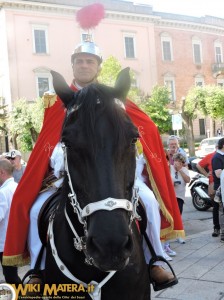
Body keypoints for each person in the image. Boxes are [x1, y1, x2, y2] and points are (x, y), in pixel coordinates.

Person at [3, 39, 184, 286]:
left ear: (98, 67)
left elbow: (144, 128)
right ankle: (38, 268)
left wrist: (132, 152)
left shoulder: (113, 98)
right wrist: (60, 156)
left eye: (90, 61)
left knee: (150, 203)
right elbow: (49, 140)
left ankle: (156, 260)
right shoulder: (57, 101)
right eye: (79, 61)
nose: (84, 65)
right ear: (73, 65)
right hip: (68, 174)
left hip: (113, 172)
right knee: (36, 209)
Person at [0, 159, 21, 284]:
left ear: (2, 172)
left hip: (3, 241)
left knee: (10, 277)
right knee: (11, 275)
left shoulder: (3, 192)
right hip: (13, 239)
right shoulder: (17, 187)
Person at [196, 146, 219, 237]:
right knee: (216, 207)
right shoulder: (211, 156)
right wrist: (206, 174)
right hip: (213, 185)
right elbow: (199, 165)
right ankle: (216, 228)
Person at [212, 137, 224, 243]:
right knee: (219, 210)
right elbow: (218, 174)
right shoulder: (217, 157)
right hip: (219, 187)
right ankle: (218, 229)